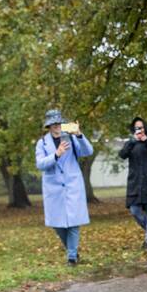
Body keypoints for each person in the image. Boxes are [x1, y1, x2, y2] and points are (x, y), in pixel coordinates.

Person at [35, 110, 93, 265]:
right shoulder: (42, 143)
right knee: (58, 224)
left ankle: (72, 257)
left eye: (59, 123)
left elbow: (88, 151)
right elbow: (40, 164)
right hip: (53, 188)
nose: (57, 127)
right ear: (49, 126)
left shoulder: (71, 138)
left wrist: (79, 134)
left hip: (72, 184)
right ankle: (72, 250)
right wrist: (56, 154)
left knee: (74, 223)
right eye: (54, 124)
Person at [117, 117, 147, 249]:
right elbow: (122, 155)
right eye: (137, 127)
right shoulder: (130, 143)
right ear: (133, 129)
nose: (139, 129)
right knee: (134, 210)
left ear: (145, 128)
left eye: (141, 127)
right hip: (135, 182)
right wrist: (132, 141)